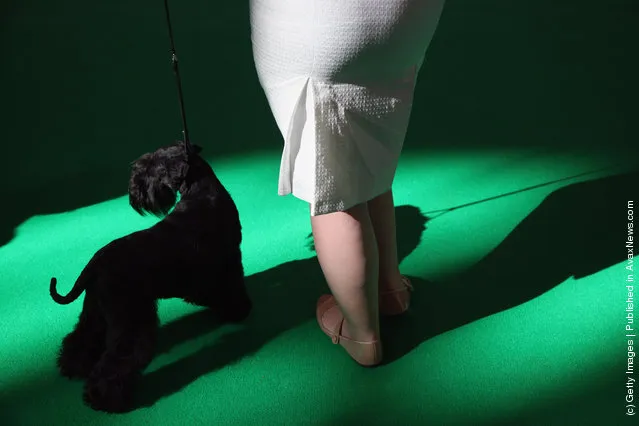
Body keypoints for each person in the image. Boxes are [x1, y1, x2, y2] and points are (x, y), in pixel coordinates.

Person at [249, 0, 446, 366]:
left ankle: (362, 334)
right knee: (368, 141)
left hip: (322, 27)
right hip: (409, 20)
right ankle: (390, 288)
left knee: (332, 178)